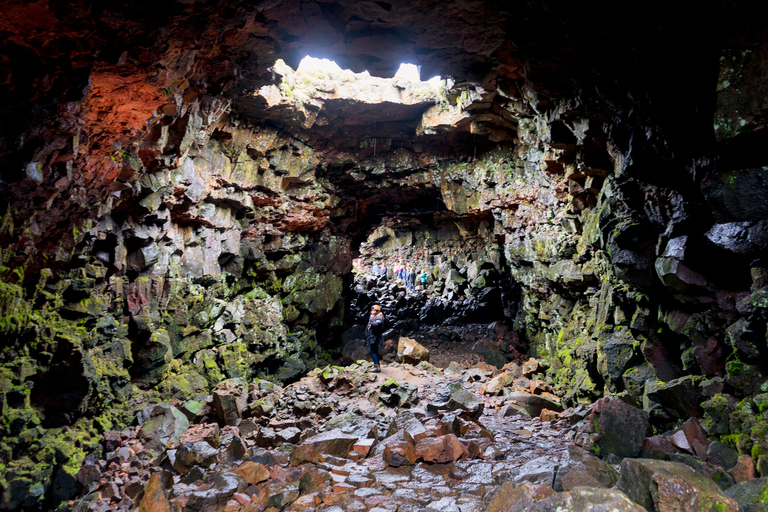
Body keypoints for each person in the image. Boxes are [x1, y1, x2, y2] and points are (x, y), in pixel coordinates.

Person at [365, 305, 385, 372]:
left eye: (374, 310)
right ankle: (376, 365)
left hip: (375, 338)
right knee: (373, 351)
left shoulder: (379, 318)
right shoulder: (374, 317)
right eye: (372, 310)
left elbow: (375, 325)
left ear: (377, 311)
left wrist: (371, 318)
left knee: (373, 351)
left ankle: (376, 366)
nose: (372, 312)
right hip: (372, 337)